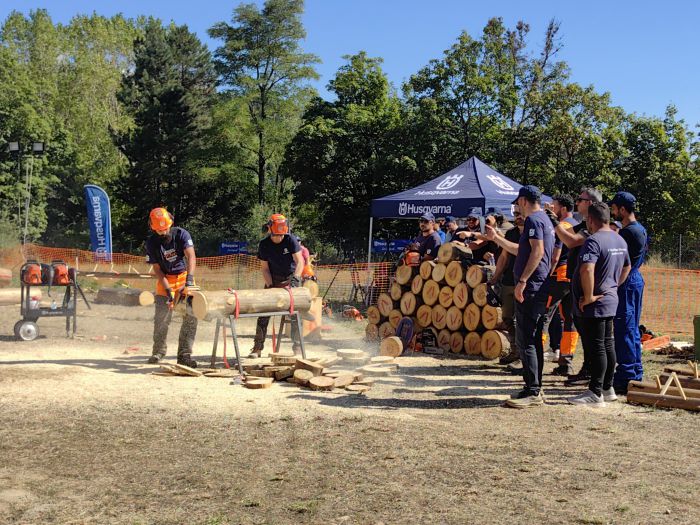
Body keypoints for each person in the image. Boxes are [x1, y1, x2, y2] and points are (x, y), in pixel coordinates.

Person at [485, 185, 555, 408]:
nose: (516, 207)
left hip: (531, 287)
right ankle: (533, 388)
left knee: (528, 340)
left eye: (517, 203)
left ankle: (533, 391)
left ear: (524, 201)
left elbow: (537, 252)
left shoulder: (534, 220)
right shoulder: (544, 219)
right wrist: (496, 238)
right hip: (538, 285)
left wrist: (523, 281)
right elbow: (521, 250)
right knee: (531, 339)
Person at [568, 202, 631, 406]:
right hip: (610, 299)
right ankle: (607, 387)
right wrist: (613, 286)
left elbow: (587, 269)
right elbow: (627, 267)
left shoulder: (593, 240)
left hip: (595, 303)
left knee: (597, 347)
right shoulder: (619, 239)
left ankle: (595, 392)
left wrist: (588, 296)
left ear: (591, 220)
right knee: (607, 343)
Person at [549, 187, 603, 386]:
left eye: (580, 199)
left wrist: (554, 221)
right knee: (576, 323)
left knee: (589, 332)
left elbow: (571, 242)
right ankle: (579, 367)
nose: (577, 202)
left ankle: (590, 373)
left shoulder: (594, 225)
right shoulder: (582, 223)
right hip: (575, 280)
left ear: (590, 203)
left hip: (585, 283)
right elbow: (564, 235)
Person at [145, 207, 198, 367]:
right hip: (165, 279)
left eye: (165, 228)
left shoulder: (182, 234)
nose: (163, 232)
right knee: (161, 319)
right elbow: (157, 269)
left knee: (190, 317)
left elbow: (191, 256)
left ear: (170, 222)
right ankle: (158, 352)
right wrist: (168, 290)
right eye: (159, 230)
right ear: (153, 228)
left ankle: (184, 355)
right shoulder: (151, 243)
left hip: (183, 277)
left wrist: (189, 280)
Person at [249, 213, 305, 358]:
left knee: (296, 314)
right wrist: (270, 286)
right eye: (276, 236)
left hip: (290, 278)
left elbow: (300, 262)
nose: (279, 238)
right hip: (273, 279)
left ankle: (298, 348)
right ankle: (257, 348)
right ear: (270, 229)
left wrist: (295, 279)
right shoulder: (264, 244)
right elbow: (265, 269)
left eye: (281, 236)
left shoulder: (290, 240)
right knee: (263, 314)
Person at [610, 191, 648, 393]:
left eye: (614, 209)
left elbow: (621, 263)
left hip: (626, 281)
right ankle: (635, 371)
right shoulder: (639, 229)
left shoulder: (628, 233)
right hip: (634, 280)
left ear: (623, 209)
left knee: (624, 328)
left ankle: (626, 377)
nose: (613, 212)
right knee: (631, 328)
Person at [541, 194, 580, 375]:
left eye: (554, 206)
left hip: (558, 276)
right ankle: (566, 361)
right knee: (569, 320)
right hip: (572, 277)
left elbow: (556, 254)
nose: (552, 208)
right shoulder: (577, 224)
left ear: (563, 208)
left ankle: (535, 359)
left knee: (544, 315)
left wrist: (547, 272)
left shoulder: (562, 226)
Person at [487, 207, 524, 365]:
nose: (518, 217)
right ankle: (515, 350)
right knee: (507, 317)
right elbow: (503, 257)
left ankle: (524, 354)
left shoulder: (534, 231)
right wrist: (495, 277)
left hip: (526, 282)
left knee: (524, 320)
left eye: (520, 214)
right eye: (516, 214)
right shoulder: (511, 233)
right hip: (509, 280)